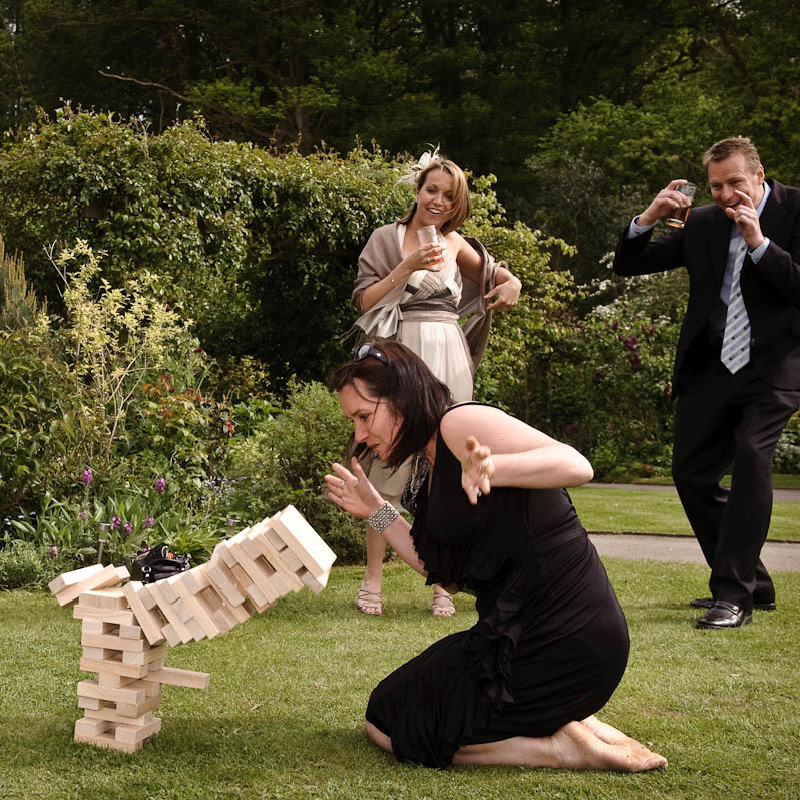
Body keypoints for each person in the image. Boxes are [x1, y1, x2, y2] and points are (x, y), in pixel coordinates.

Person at [324, 340, 667, 772]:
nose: (359, 435)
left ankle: (561, 747)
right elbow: (444, 577)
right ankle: (570, 723)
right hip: (514, 639)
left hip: (570, 638)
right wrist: (378, 512)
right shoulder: (430, 471)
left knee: (398, 730)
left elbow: (576, 464)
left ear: (403, 398)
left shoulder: (459, 422)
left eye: (364, 416)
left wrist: (495, 469)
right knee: (385, 710)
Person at [613, 136, 800, 630]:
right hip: (714, 366)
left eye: (734, 182)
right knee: (691, 473)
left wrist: (760, 244)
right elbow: (629, 264)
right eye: (716, 185)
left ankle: (732, 594)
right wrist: (648, 219)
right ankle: (754, 582)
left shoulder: (797, 210)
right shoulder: (704, 223)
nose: (723, 193)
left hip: (776, 366)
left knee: (753, 457)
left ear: (759, 176)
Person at [350, 149, 522, 617]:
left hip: (449, 358)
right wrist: (405, 269)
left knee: (444, 468)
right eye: (432, 190)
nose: (439, 201)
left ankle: (443, 579)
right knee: (385, 462)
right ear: (418, 190)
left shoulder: (457, 244)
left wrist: (513, 285)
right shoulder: (387, 238)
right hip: (401, 358)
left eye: (450, 195)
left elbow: (501, 279)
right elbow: (364, 299)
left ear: (457, 202)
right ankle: (373, 577)